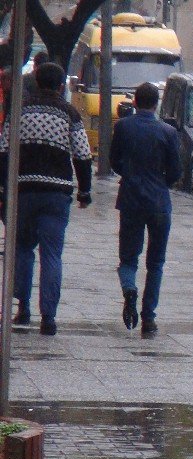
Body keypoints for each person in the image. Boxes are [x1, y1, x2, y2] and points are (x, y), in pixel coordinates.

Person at [0, 62, 92, 335]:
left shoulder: (20, 110)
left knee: (23, 248)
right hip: (56, 193)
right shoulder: (69, 113)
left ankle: (23, 308)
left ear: (36, 82)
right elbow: (83, 155)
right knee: (52, 254)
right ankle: (48, 317)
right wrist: (85, 191)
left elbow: (4, 150)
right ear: (61, 85)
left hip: (24, 190)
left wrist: (4, 188)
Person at [110, 82, 181, 336]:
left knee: (128, 257)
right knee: (156, 262)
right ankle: (149, 317)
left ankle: (129, 288)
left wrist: (129, 175)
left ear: (136, 102)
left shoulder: (123, 127)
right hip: (159, 202)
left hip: (130, 199)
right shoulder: (168, 132)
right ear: (156, 104)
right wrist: (161, 182)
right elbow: (176, 171)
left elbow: (113, 160)